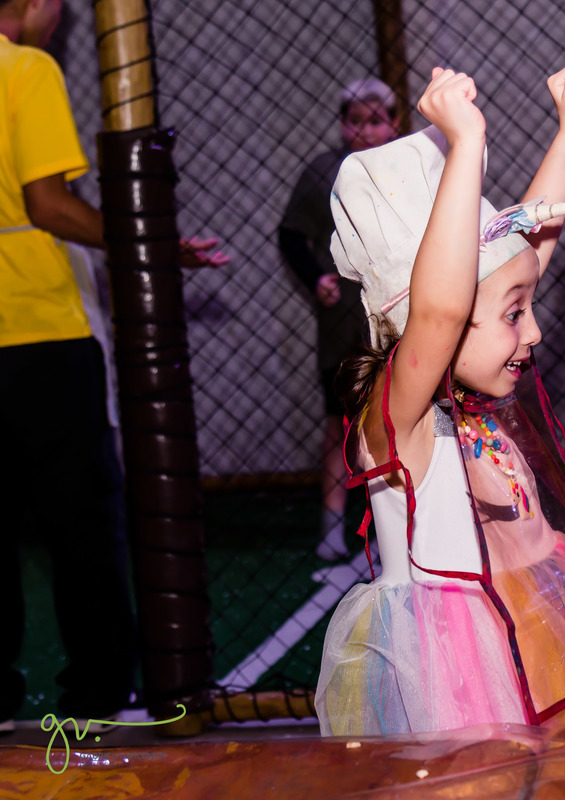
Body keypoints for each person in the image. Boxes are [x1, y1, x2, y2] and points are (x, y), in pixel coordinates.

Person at [314, 62, 565, 736]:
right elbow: (446, 307)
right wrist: (466, 143)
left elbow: (516, 263)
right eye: (515, 315)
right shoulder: (400, 418)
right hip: (459, 675)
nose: (533, 332)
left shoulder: (470, 391)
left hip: (531, 630)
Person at [0, 0, 226, 725]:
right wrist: (148, 244)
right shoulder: (25, 69)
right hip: (38, 335)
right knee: (81, 524)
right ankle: (96, 695)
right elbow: (46, 204)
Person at [278, 77, 399, 560]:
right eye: (356, 121)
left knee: (396, 418)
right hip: (343, 322)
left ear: (393, 123)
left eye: (376, 121)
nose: (366, 131)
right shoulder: (324, 171)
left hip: (396, 315)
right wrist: (316, 280)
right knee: (341, 424)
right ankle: (332, 526)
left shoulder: (406, 167)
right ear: (343, 123)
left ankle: (396, 522)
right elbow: (291, 235)